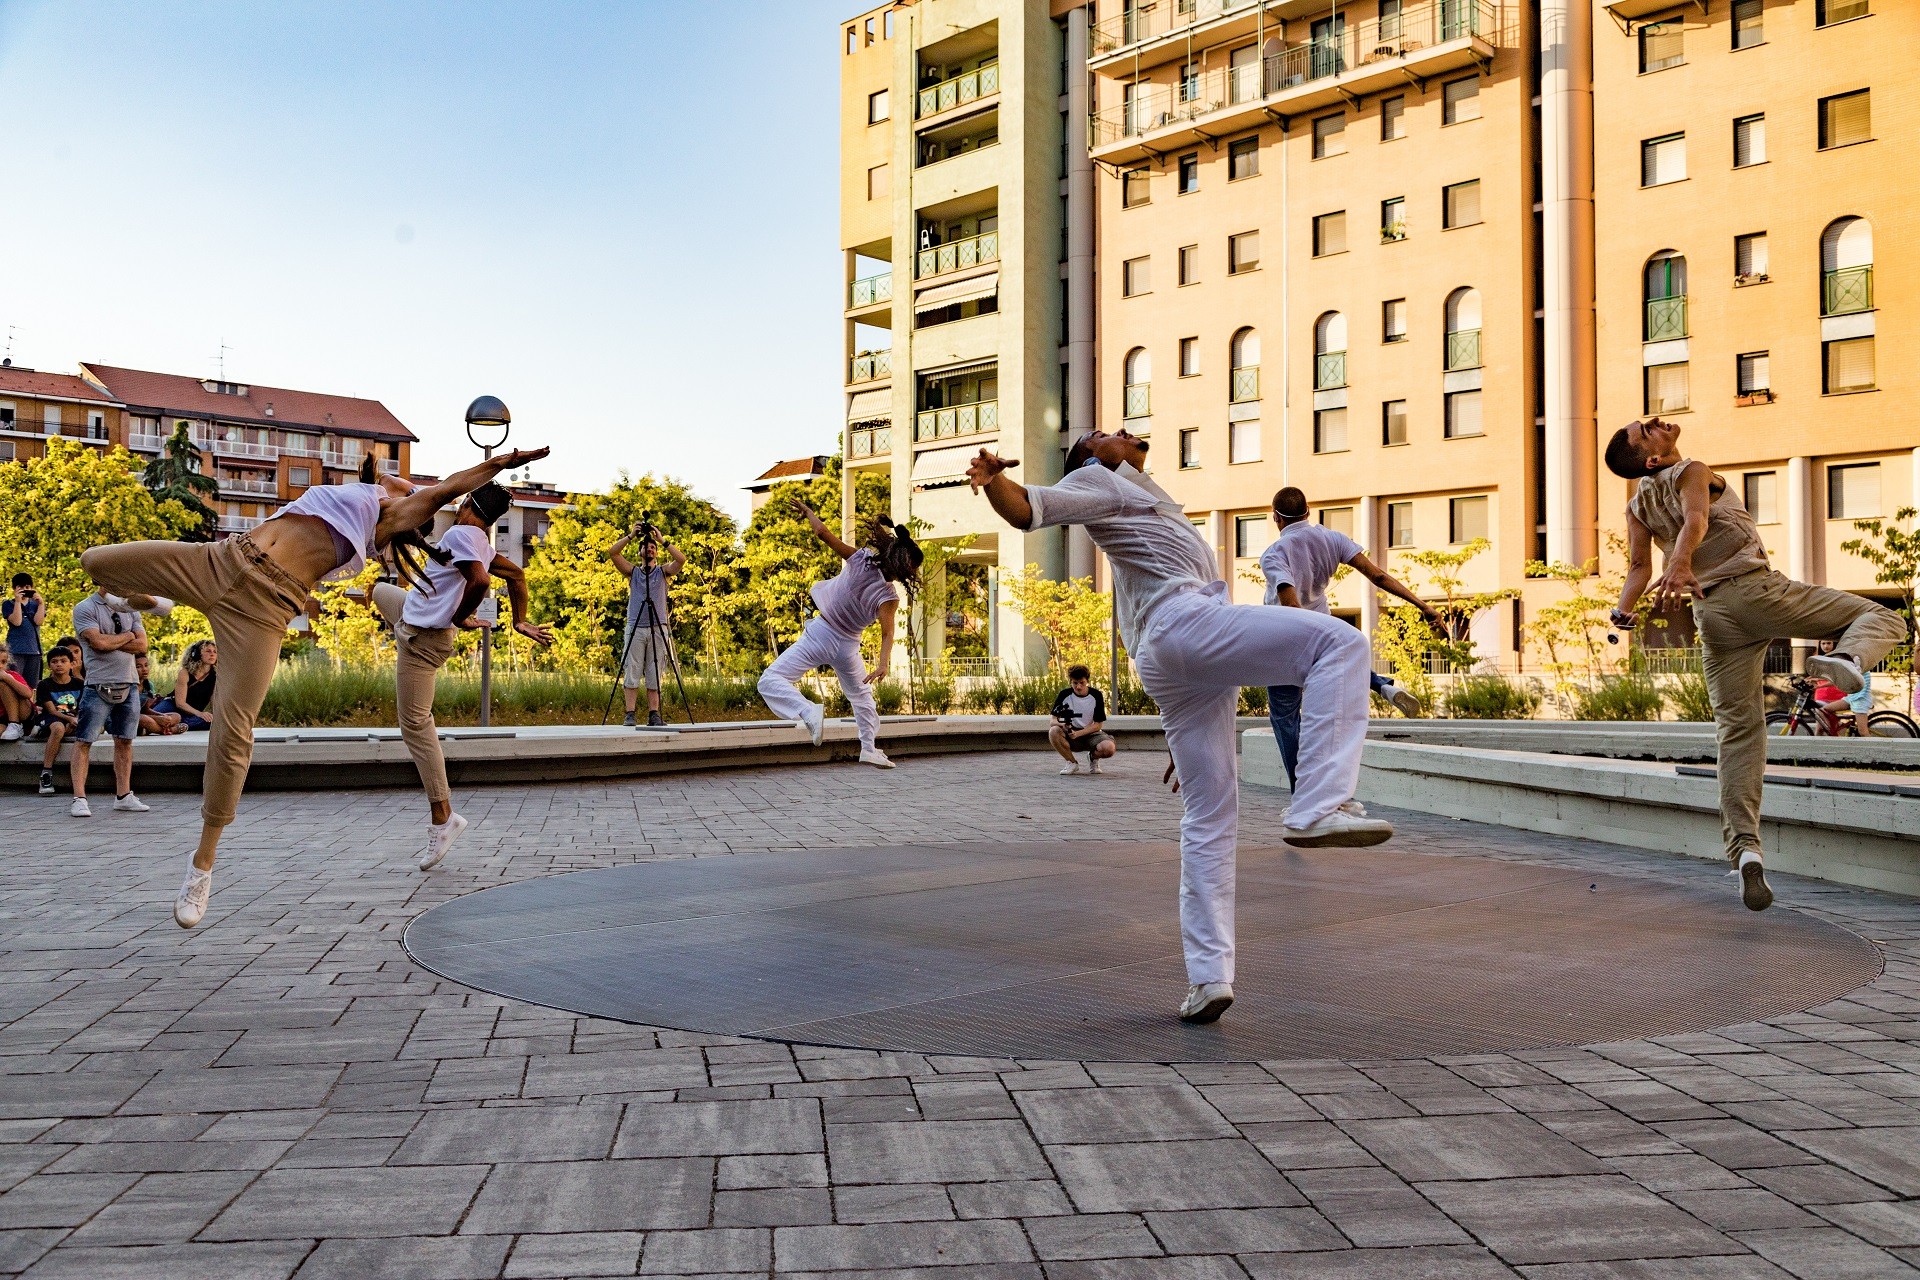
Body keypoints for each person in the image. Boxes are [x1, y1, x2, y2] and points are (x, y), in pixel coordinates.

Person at [967, 429, 1390, 1026]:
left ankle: (1208, 979)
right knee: (1342, 644)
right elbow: (1027, 509)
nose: (1124, 432)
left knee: (1209, 813)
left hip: (1180, 657)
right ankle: (1317, 806)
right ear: (1091, 457)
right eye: (1105, 434)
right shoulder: (1098, 481)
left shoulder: (1146, 500)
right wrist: (994, 481)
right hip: (1184, 628)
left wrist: (1181, 718)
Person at [80, 445, 549, 929]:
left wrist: (499, 464)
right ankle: (152, 601)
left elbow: (447, 488)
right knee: (95, 561)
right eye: (406, 482)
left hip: (263, 607)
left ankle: (201, 866)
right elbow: (410, 485)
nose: (410, 485)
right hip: (221, 560)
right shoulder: (355, 491)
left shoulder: (384, 518)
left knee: (234, 732)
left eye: (413, 490)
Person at [1606, 416, 1902, 911]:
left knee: (1738, 732)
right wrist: (1680, 562)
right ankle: (1847, 658)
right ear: (1652, 458)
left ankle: (1745, 850)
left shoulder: (1637, 505)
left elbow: (1638, 567)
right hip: (1754, 592)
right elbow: (1696, 518)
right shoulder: (1691, 470)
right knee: (1883, 617)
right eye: (1646, 430)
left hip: (1712, 617)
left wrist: (1622, 612)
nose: (1656, 421)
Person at [371, 483, 554, 870]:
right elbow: (517, 575)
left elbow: (481, 582)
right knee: (379, 591)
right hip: (411, 614)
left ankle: (444, 819)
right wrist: (519, 620)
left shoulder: (460, 534)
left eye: (462, 498)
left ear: (469, 503)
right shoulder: (479, 541)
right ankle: (410, 624)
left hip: (425, 641)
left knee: (415, 724)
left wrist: (458, 615)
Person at [1261, 486, 1440, 792]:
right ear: (1308, 511)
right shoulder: (1333, 539)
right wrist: (1422, 605)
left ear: (1275, 517)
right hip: (1324, 630)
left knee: (1285, 717)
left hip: (1286, 641)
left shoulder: (1275, 554)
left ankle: (1302, 793)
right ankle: (1382, 686)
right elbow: (1378, 576)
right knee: (1341, 657)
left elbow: (1290, 606)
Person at [757, 497, 921, 770]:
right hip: (847, 647)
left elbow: (823, 533)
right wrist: (883, 663)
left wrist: (809, 513)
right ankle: (868, 748)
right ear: (903, 568)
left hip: (821, 634)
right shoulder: (889, 597)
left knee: (770, 680)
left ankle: (807, 710)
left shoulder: (861, 559)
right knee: (862, 698)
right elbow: (887, 634)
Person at [66, 586, 154, 817]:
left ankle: (124, 795)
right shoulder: (86, 607)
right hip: (98, 684)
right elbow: (98, 644)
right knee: (84, 740)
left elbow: (142, 646)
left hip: (129, 683)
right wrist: (127, 636)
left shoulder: (131, 607)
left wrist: (110, 641)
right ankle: (79, 798)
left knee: (125, 740)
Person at [608, 522, 686, 727]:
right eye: (646, 547)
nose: (649, 549)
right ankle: (630, 713)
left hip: (658, 627)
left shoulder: (663, 571)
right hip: (636, 627)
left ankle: (654, 714)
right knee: (632, 669)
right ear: (640, 552)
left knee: (655, 671)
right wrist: (630, 536)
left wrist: (662, 540)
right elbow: (613, 553)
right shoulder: (633, 572)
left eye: (653, 548)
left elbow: (681, 560)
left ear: (657, 553)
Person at [34, 647, 84, 795]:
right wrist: (70, 719)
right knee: (58, 728)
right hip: (51, 717)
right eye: (54, 662)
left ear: (72, 664)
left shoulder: (79, 684)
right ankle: (46, 773)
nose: (59, 664)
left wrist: (76, 720)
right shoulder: (44, 685)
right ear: (49, 665)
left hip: (72, 718)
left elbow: (83, 708)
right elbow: (52, 710)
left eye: (63, 661)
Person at [1050, 663, 1116, 775]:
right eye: (1075, 683)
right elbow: (1053, 720)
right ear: (1070, 682)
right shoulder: (1064, 695)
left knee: (1109, 748)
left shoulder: (1096, 695)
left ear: (1087, 681)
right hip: (1070, 734)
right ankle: (1071, 762)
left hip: (1091, 734)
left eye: (1082, 683)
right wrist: (1063, 725)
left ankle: (1093, 758)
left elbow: (1098, 725)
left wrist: (1078, 734)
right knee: (1053, 731)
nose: (1078, 687)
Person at [150, 640, 217, 731]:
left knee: (211, 722)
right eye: (208, 651)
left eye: (215, 652)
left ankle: (170, 727)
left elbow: (214, 702)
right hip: (172, 706)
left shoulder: (216, 676)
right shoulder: (185, 673)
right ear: (196, 654)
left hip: (191, 714)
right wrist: (200, 714)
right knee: (152, 718)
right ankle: (172, 726)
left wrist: (213, 716)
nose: (212, 654)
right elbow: (180, 703)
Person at [1812, 639, 1874, 737]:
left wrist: (1820, 683)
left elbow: (1839, 678)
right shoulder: (1850, 661)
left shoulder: (1861, 663)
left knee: (1863, 732)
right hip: (1850, 698)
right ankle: (1834, 731)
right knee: (1824, 710)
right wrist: (1819, 683)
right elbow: (1838, 678)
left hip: (1860, 699)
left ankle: (1875, 747)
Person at [3, 573, 44, 689]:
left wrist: (41, 604)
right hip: (16, 650)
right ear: (14, 588)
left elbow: (38, 621)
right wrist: (18, 602)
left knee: (31, 686)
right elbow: (17, 622)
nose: (24, 590)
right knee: (14, 683)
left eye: (27, 587)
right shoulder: (8, 604)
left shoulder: (35, 604)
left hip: (34, 650)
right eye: (20, 587)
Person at [134, 654, 185, 736]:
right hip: (130, 719)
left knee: (176, 716)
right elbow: (128, 714)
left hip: (145, 717)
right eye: (138, 667)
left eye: (146, 665)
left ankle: (148, 729)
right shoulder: (128, 686)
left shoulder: (148, 685)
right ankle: (169, 730)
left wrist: (162, 716)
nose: (144, 669)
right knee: (143, 719)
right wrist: (157, 718)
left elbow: (145, 710)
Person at [0, 649, 36, 741]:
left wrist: (7, 678)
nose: (0, 666)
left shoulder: (12, 675)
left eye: (3, 662)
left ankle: (15, 724)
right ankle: (11, 727)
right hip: (4, 718)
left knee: (3, 685)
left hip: (23, 714)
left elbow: (28, 694)